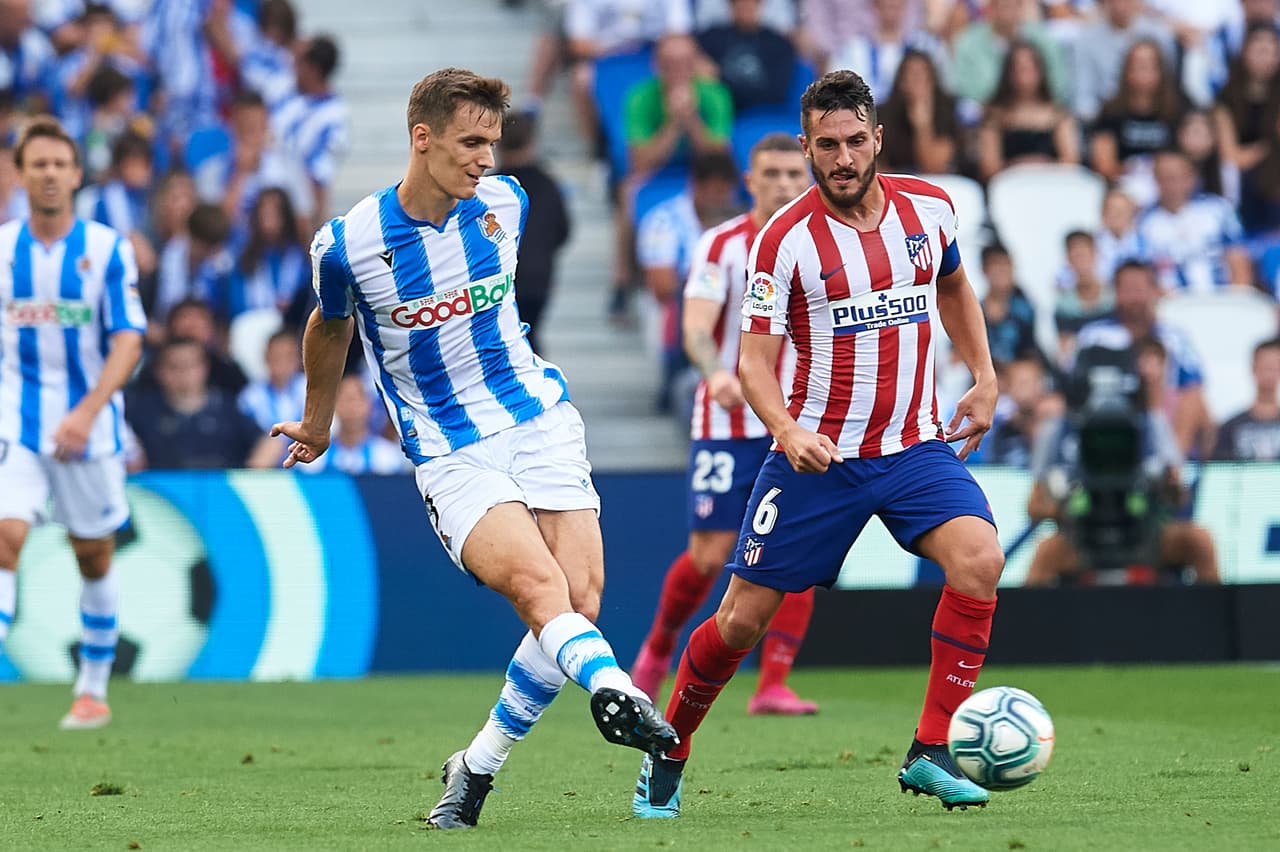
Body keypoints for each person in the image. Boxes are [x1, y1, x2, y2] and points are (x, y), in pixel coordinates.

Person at [270, 67, 677, 830]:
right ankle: (617, 689)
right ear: (421, 139)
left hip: (538, 419)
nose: (486, 158)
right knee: (537, 588)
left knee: (576, 603)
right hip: (450, 452)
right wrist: (319, 420)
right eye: (470, 142)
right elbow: (329, 327)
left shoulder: (508, 204)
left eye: (492, 141)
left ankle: (477, 767)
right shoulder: (348, 245)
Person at [633, 70, 1005, 818]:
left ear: (878, 140)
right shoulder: (783, 241)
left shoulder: (931, 210)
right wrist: (786, 428)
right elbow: (754, 363)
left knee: (980, 559)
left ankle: (929, 750)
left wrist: (985, 374)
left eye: (855, 141)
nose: (841, 158)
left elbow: (954, 288)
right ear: (805, 147)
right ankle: (670, 744)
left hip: (911, 446)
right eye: (825, 145)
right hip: (820, 459)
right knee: (740, 618)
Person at [631, 133, 819, 716]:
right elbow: (694, 327)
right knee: (711, 554)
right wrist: (716, 372)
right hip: (727, 419)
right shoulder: (721, 246)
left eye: (795, 173)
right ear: (751, 180)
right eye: (773, 174)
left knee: (800, 549)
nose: (786, 184)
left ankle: (772, 685)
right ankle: (657, 651)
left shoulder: (827, 245)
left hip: (799, 418)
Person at [0, 115, 146, 729]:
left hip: (90, 431)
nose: (51, 174)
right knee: (6, 538)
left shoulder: (107, 248)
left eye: (60, 164)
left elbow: (129, 340)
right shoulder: (3, 249)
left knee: (94, 557)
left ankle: (91, 686)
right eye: (39, 164)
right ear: (22, 172)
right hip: (16, 423)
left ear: (77, 174)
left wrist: (86, 413)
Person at [1024, 338, 1220, 586]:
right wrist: (1062, 504)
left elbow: (1178, 496)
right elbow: (1033, 506)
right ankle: (1027, 625)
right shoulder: (1057, 431)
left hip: (1144, 533)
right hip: (1082, 537)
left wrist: (1166, 486)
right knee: (1045, 554)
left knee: (1199, 542)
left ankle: (1213, 620)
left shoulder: (1150, 424)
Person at [125, 337, 279, 470]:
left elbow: (270, 442)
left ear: (204, 368)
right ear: (159, 371)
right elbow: (127, 449)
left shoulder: (227, 408)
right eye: (174, 367)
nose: (183, 373)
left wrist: (249, 478)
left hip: (221, 494)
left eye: (190, 365)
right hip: (160, 497)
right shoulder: (142, 410)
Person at [493, 110, 571, 354]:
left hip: (497, 280)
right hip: (538, 278)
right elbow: (563, 231)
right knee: (529, 337)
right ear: (532, 141)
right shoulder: (549, 185)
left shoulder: (488, 188)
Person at [1213, 337, 1280, 461]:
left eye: (1276, 367)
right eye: (1267, 366)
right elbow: (1220, 470)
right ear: (1253, 368)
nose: (1271, 373)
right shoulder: (1231, 427)